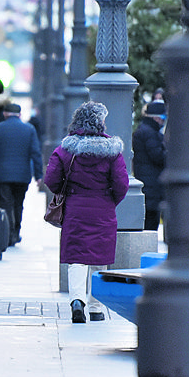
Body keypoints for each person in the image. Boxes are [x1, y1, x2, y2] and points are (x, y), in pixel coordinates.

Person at [43, 101, 129, 324]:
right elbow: (121, 184)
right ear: (99, 122)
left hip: (75, 208)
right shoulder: (112, 151)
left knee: (77, 257)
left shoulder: (66, 149)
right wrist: (109, 200)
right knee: (99, 257)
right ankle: (96, 307)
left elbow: (51, 179)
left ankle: (76, 301)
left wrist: (68, 191)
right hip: (103, 210)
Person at [0, 103, 44, 247]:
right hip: (22, 175)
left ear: (4, 113)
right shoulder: (29, 129)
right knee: (18, 204)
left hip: (2, 174)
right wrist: (39, 175)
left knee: (5, 204)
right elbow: (35, 153)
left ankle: (7, 234)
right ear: (19, 115)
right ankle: (16, 232)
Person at [133, 100, 167, 231]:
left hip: (149, 185)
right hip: (152, 186)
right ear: (157, 118)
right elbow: (158, 156)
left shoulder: (145, 131)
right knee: (151, 224)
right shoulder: (150, 133)